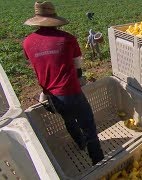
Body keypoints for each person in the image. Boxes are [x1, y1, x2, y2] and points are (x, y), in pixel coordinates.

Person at [22, 1, 104, 166]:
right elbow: (77, 65)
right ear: (54, 19)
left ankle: (80, 143)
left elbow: (38, 63)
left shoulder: (27, 42)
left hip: (51, 95)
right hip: (71, 92)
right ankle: (98, 160)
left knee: (68, 120)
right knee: (88, 125)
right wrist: (79, 79)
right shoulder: (67, 39)